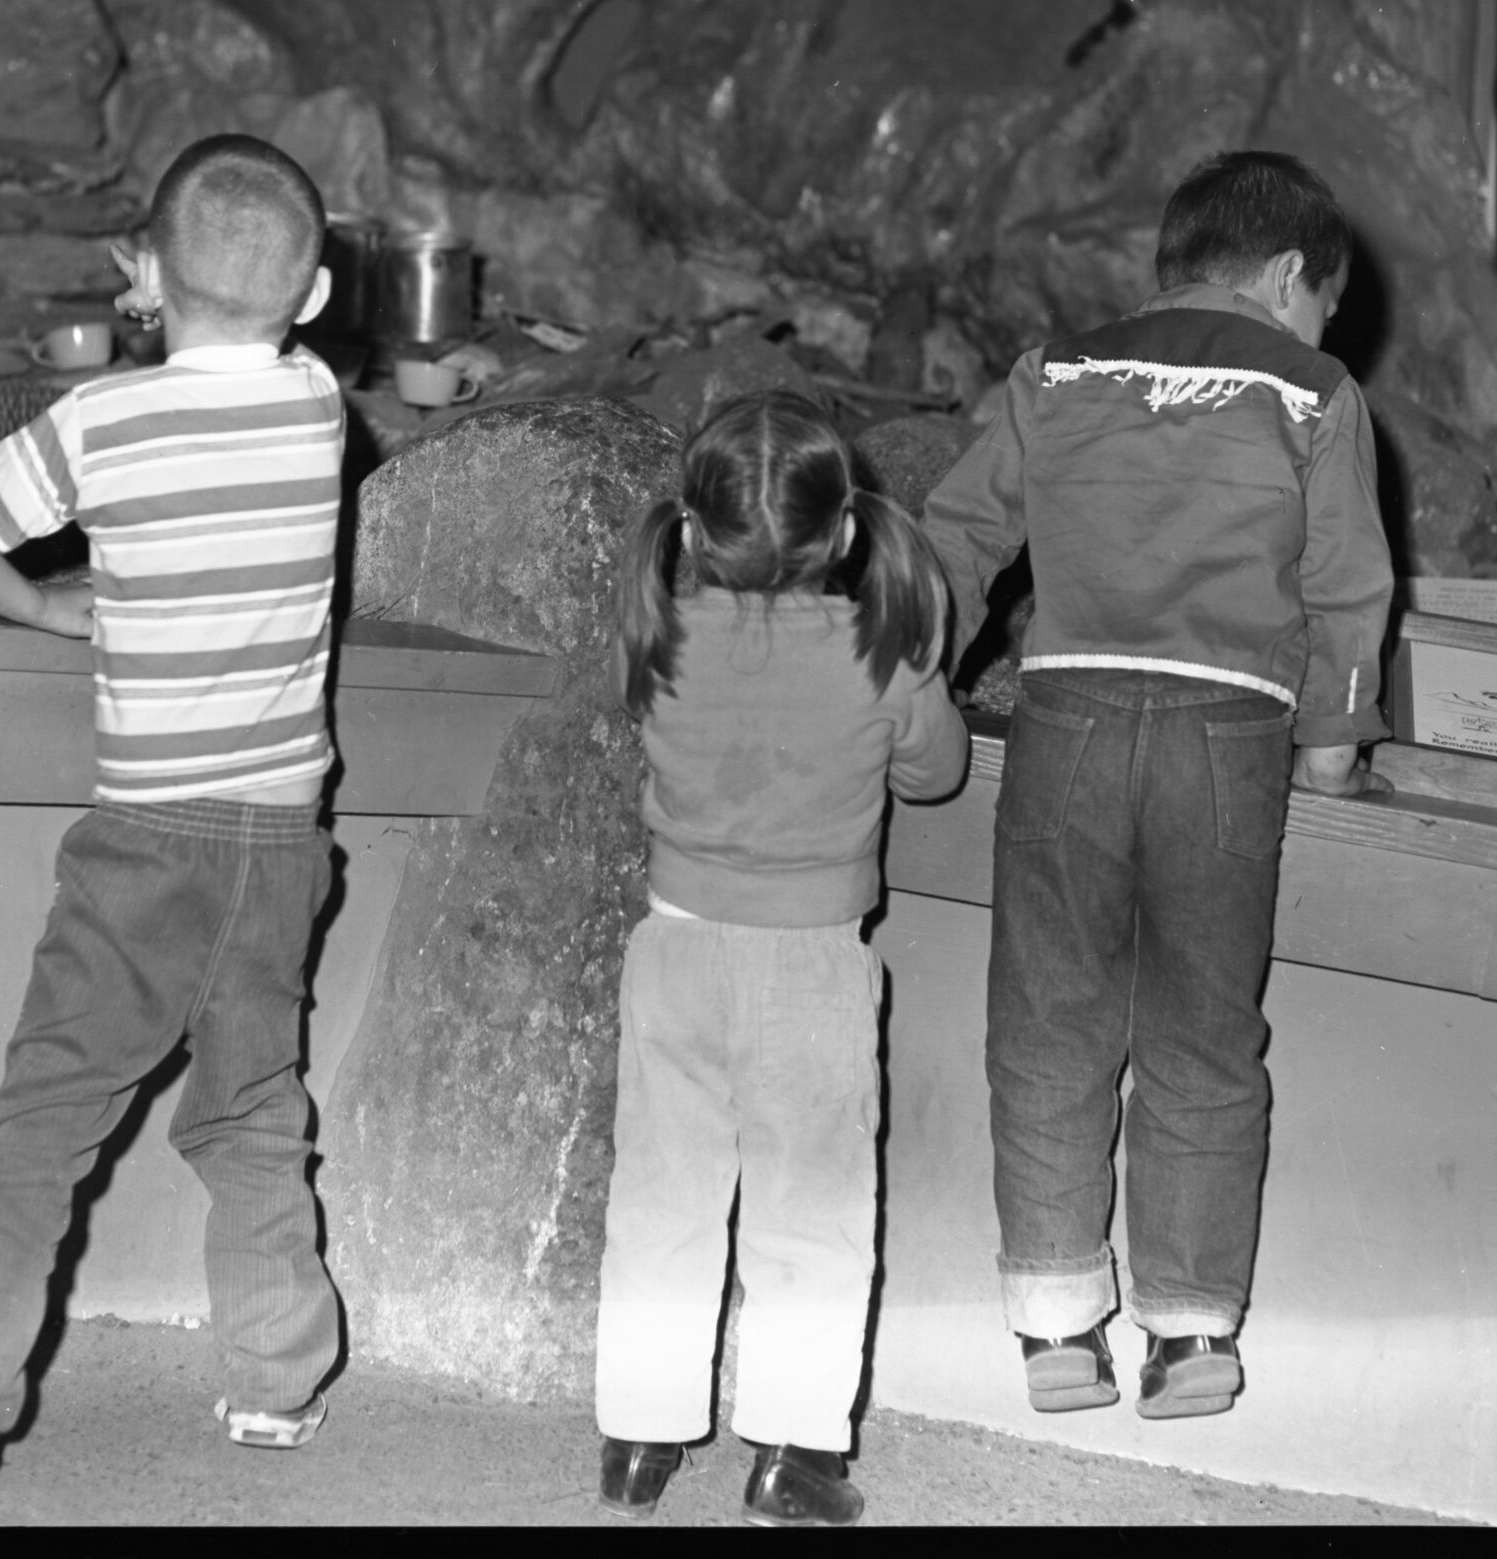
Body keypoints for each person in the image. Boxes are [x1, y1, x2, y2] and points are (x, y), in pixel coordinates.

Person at [0, 135, 348, 1528]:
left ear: (139, 276)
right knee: (250, 1105)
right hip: (282, 840)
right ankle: (277, 1375)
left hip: (147, 847)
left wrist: (53, 606)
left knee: (38, 1141)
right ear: (312, 299)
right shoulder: (319, 407)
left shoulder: (104, 423)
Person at [920, 149, 1391, 1424]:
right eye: (1324, 304)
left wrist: (919, 670)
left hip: (1066, 712)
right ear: (1294, 275)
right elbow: (1349, 586)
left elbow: (961, 536)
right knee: (1203, 1035)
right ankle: (1190, 1332)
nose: (1320, 327)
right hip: (1229, 736)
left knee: (1051, 1019)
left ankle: (1059, 1321)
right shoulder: (1316, 391)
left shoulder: (1055, 374)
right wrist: (1336, 746)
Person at [592, 390, 971, 1529]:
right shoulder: (880, 651)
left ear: (694, 532)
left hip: (674, 949)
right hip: (810, 963)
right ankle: (793, 1452)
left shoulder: (656, 631)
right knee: (811, 1210)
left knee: (661, 1195)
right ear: (847, 534)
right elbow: (936, 771)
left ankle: (639, 1435)